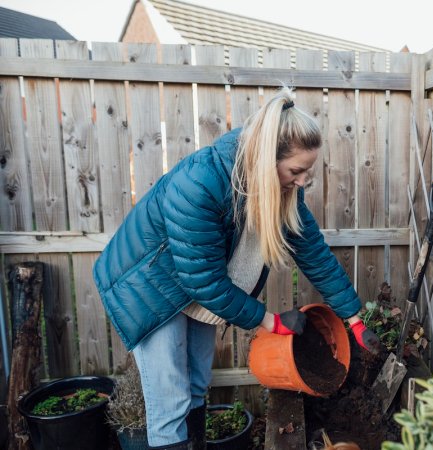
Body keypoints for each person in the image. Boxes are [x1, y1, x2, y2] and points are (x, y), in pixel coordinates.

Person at [93, 86, 381, 450]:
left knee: (197, 383)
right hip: (148, 286)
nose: (304, 180)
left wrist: (353, 319)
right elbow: (205, 281)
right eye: (297, 170)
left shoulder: (280, 189)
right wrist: (270, 322)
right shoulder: (200, 184)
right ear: (266, 159)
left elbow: (314, 253)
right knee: (171, 401)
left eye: (308, 171)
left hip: (193, 284)